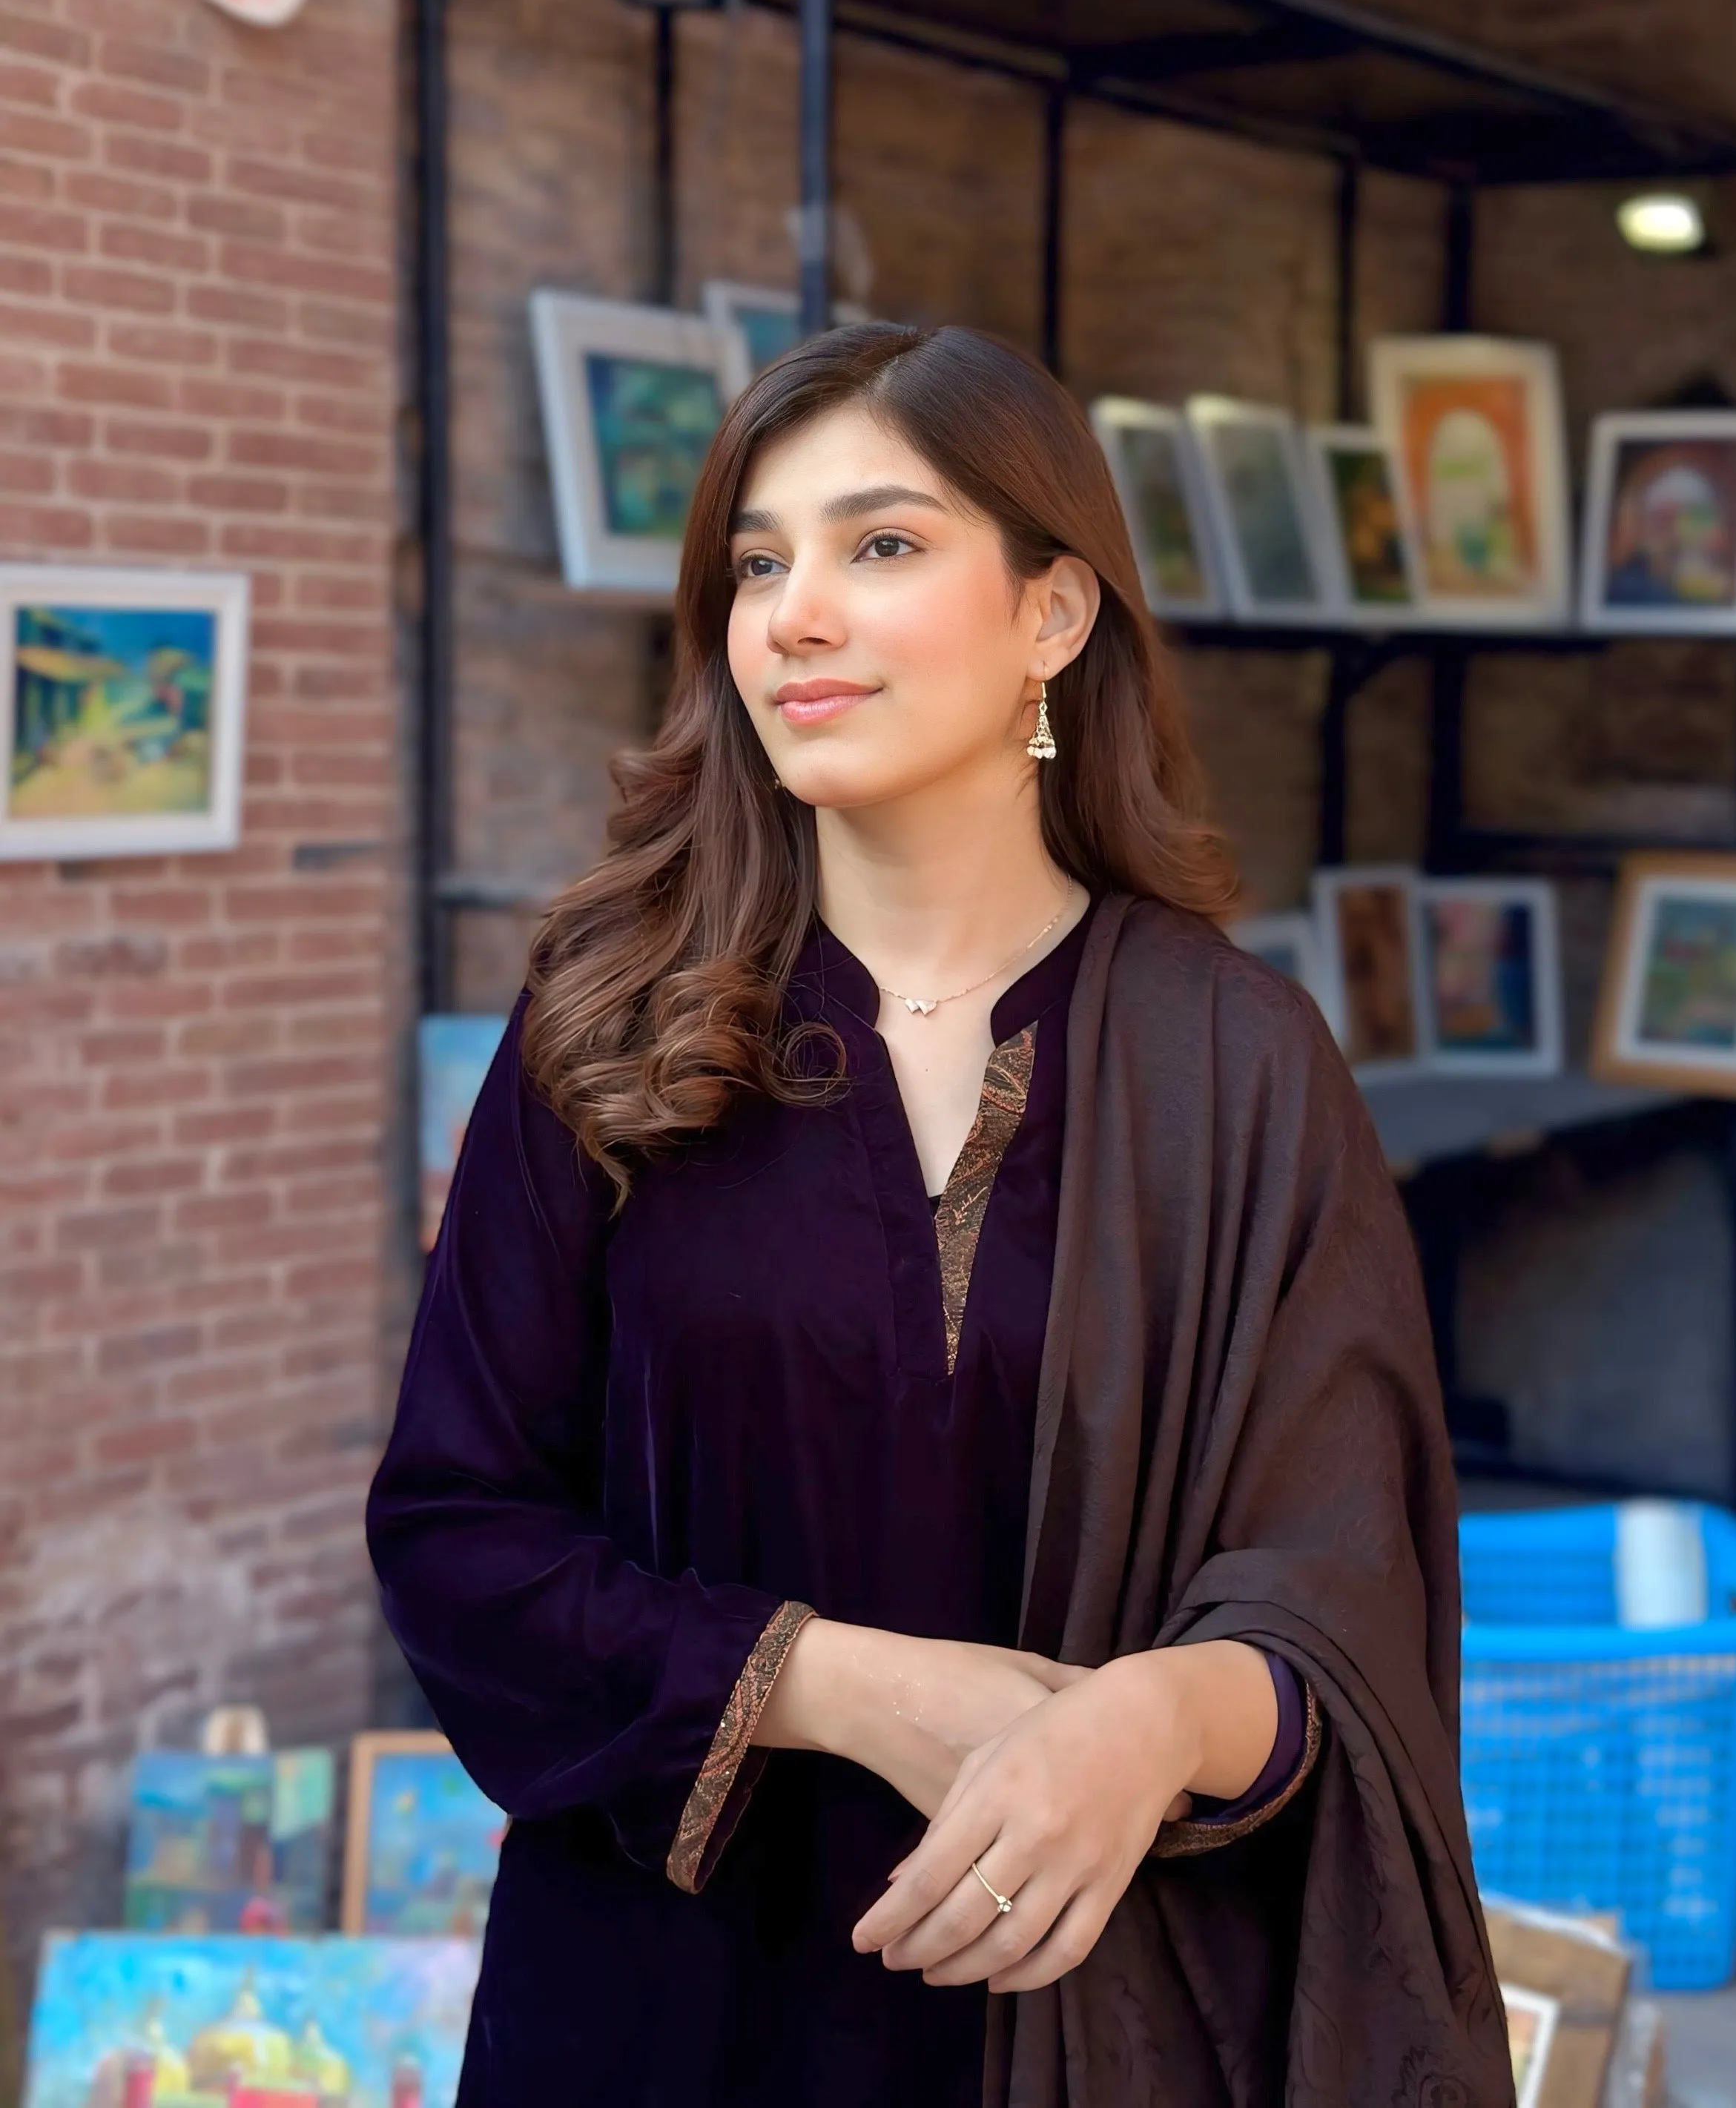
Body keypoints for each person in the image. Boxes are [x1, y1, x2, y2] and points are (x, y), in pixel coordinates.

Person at [366, 324, 1513, 2107]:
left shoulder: (1238, 1065)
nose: (794, 614)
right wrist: (838, 1684)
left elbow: (1343, 1595)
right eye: (759, 562)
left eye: (879, 545)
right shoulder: (611, 1025)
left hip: (1098, 2018)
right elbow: (456, 1532)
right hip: (668, 2020)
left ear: (1054, 613)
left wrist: (1148, 1721)